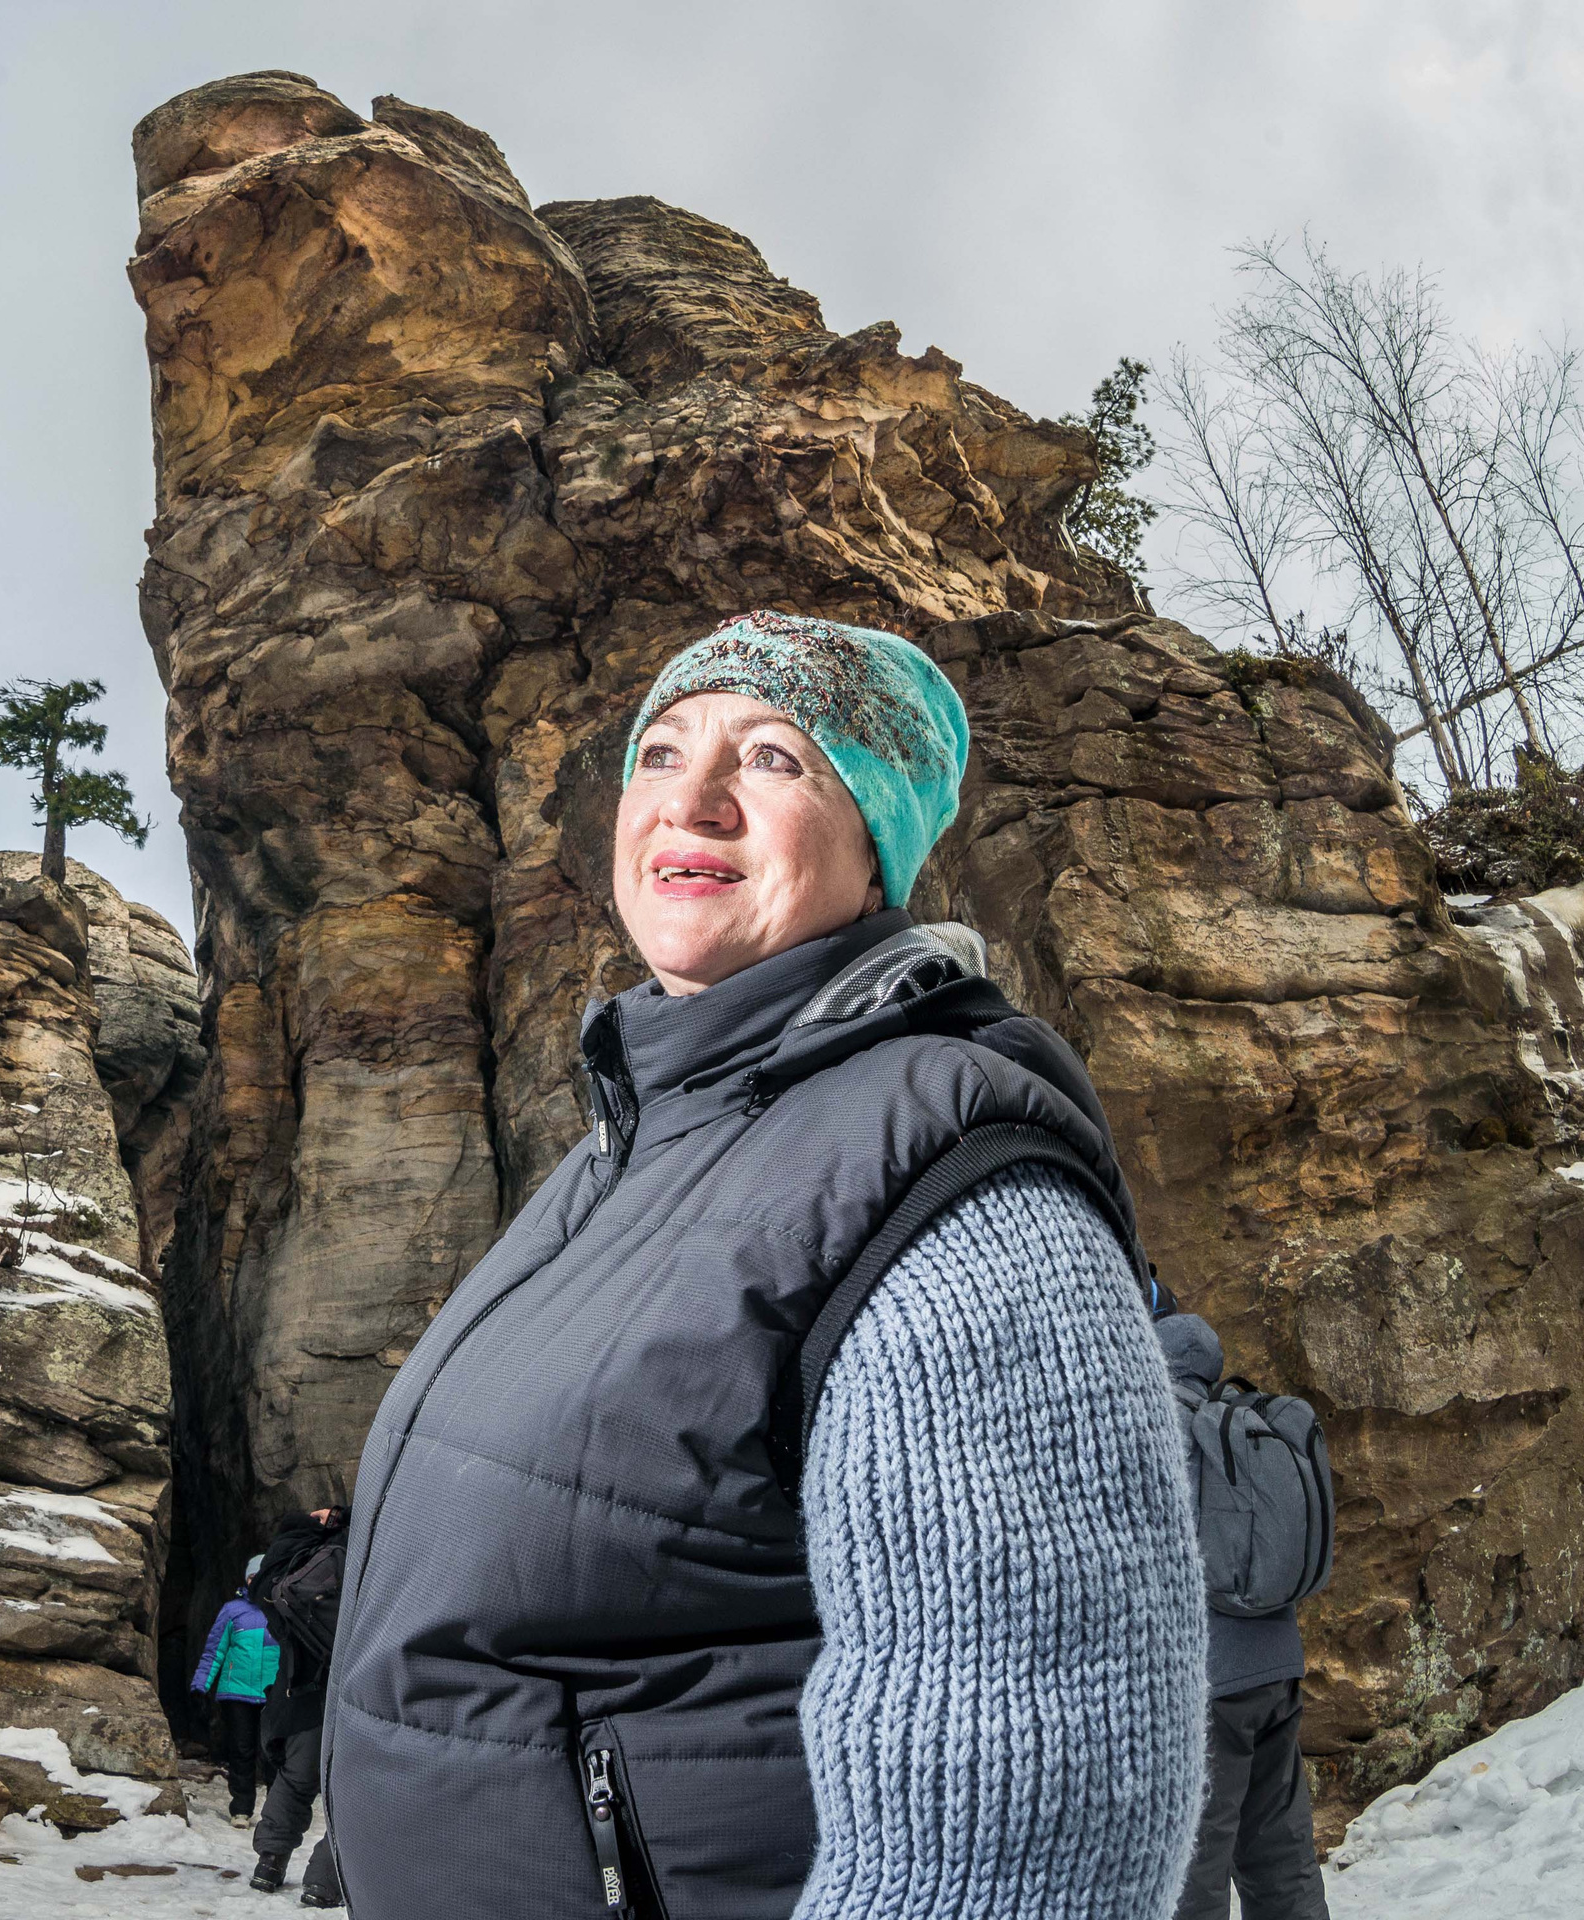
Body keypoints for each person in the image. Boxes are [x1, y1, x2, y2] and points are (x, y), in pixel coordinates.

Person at [323, 611, 1207, 1918]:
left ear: (876, 844)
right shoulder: (627, 1157)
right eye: (663, 750)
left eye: (778, 759)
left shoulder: (951, 1178)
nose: (698, 798)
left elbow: (1026, 1822)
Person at [1154, 1290, 1329, 1920]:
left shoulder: (1153, 1425)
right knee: (1282, 1859)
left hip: (1208, 1687)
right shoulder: (1238, 1419)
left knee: (1190, 1879)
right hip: (1275, 1667)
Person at [252, 1504, 348, 1907]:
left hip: (300, 1695)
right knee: (351, 1789)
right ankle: (324, 1883)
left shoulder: (286, 1577)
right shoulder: (348, 1556)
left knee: (294, 1779)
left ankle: (269, 1865)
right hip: (350, 1694)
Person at [192, 1555, 279, 1828]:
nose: (256, 1581)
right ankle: (241, 1809)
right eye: (253, 1576)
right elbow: (214, 1650)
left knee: (273, 1753)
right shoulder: (232, 1610)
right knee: (241, 1751)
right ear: (247, 1579)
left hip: (272, 1693)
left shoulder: (282, 1609)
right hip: (237, 1692)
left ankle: (277, 1812)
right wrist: (201, 1684)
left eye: (262, 1575)